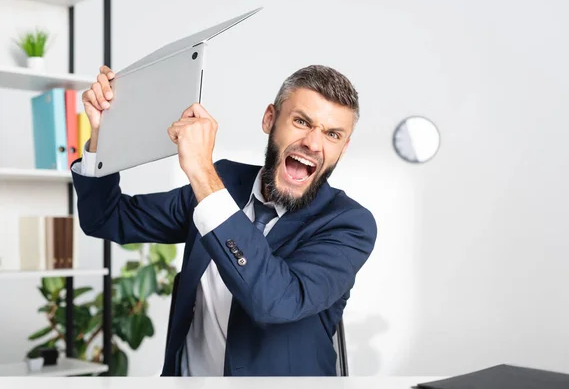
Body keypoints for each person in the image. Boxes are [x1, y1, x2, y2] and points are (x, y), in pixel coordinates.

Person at [71, 64, 378, 376]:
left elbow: (277, 302)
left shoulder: (348, 224)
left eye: (332, 134)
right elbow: (105, 218)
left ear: (343, 147)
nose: (313, 143)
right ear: (269, 119)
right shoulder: (226, 180)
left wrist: (202, 172)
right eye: (301, 121)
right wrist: (102, 134)